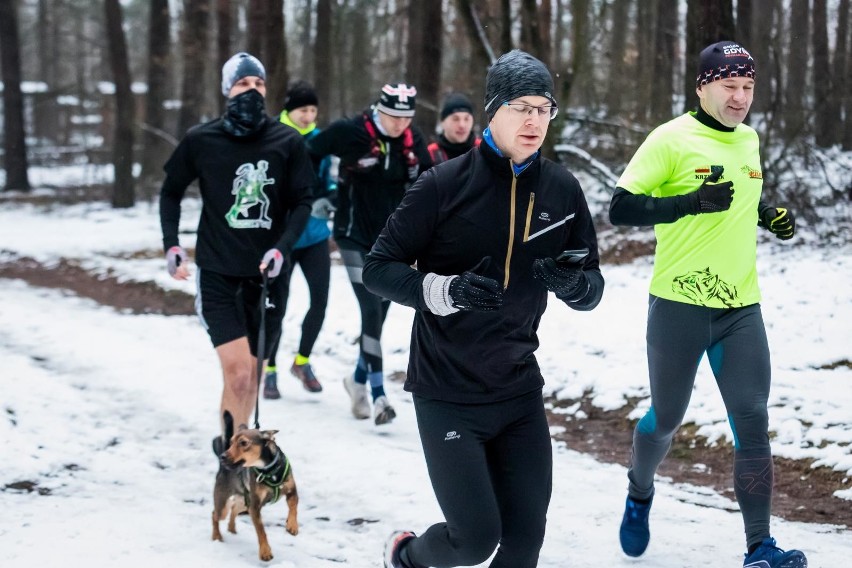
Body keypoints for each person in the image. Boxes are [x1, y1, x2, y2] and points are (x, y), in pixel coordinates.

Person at [364, 50, 604, 568]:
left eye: (545, 109)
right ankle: (405, 556)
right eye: (522, 107)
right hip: (447, 391)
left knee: (522, 545)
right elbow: (379, 268)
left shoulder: (562, 190)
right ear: (492, 110)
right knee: (473, 540)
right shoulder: (442, 186)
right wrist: (444, 291)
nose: (535, 120)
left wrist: (574, 286)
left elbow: (593, 283)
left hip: (517, 390)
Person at [609, 41, 805, 568]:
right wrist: (689, 203)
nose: (740, 97)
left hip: (740, 308)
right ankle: (640, 488)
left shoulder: (749, 140)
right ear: (702, 86)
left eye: (747, 87)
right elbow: (620, 207)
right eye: (729, 86)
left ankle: (759, 547)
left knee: (752, 419)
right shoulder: (670, 140)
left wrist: (767, 215)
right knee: (667, 419)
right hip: (679, 307)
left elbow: (742, 195)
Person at [159, 52, 315, 451]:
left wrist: (283, 248)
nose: (252, 91)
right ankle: (233, 456)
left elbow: (302, 202)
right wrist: (172, 243)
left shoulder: (288, 141)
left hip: (268, 277)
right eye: (244, 84)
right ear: (228, 90)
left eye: (259, 84)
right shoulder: (202, 140)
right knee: (240, 374)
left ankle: (236, 441)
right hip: (218, 273)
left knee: (254, 376)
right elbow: (171, 190)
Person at [306, 82, 431, 426]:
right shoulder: (351, 131)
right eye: (393, 117)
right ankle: (379, 396)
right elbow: (308, 151)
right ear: (380, 110)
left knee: (380, 315)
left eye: (406, 118)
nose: (399, 125)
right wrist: (322, 194)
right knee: (370, 310)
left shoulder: (412, 140)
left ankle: (356, 381)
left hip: (393, 243)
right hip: (352, 236)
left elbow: (429, 182)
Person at [262, 80, 337, 398]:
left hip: (315, 235)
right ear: (289, 111)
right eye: (302, 110)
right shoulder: (272, 137)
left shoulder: (322, 141)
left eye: (312, 110)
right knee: (276, 306)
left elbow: (331, 182)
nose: (308, 116)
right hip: (281, 238)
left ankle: (302, 361)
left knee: (319, 302)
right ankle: (269, 369)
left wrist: (331, 198)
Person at [426, 92, 480, 165]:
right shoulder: (430, 154)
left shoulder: (484, 149)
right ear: (442, 122)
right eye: (455, 119)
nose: (462, 125)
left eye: (466, 119)